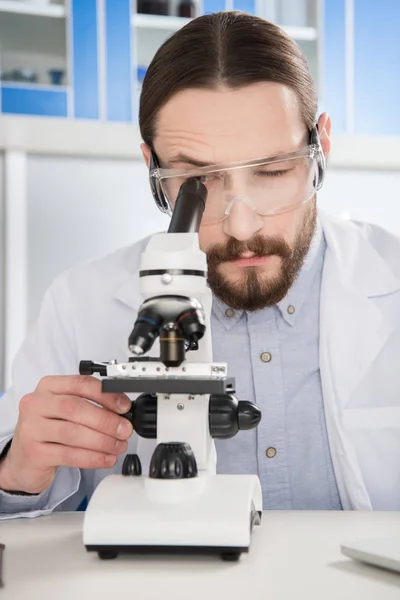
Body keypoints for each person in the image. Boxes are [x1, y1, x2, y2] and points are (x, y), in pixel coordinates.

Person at [1, 10, 399, 520]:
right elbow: (13, 509)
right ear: (153, 169)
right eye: (200, 181)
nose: (241, 225)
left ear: (320, 146)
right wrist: (14, 472)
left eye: (273, 171)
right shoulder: (81, 301)